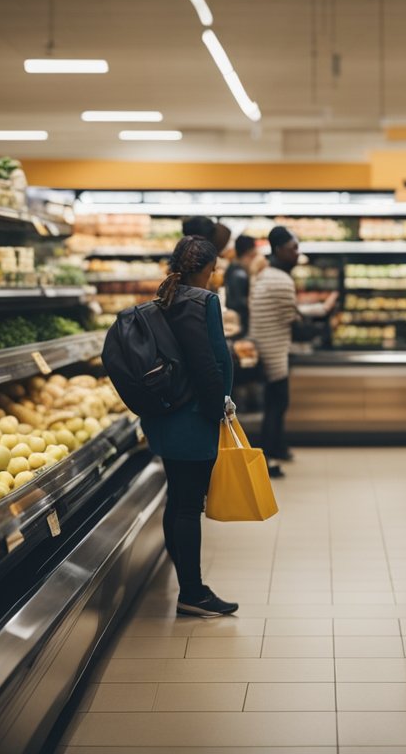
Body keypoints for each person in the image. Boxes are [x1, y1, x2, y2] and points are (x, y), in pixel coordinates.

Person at [138, 235, 239, 618]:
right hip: (193, 417)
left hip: (163, 415)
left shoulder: (160, 298)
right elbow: (213, 360)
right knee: (188, 506)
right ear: (205, 269)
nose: (213, 279)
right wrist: (220, 408)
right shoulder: (204, 301)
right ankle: (193, 593)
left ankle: (183, 575)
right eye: (212, 271)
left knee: (176, 497)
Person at [249, 225, 337, 478]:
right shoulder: (282, 279)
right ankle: (269, 459)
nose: (297, 253)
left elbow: (290, 311)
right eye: (293, 248)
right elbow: (294, 321)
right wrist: (320, 327)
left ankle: (276, 448)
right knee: (275, 406)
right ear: (279, 250)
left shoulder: (266, 274)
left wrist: (319, 309)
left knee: (276, 403)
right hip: (274, 350)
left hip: (264, 346)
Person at [224, 234, 258, 337]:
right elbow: (241, 301)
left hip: (233, 321)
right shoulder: (240, 274)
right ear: (249, 253)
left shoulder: (231, 267)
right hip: (240, 324)